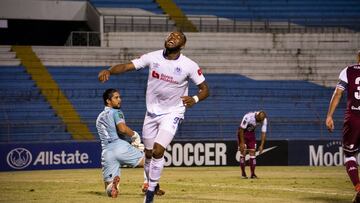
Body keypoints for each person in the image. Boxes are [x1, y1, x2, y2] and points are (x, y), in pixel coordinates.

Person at [98, 31, 210, 203]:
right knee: (149, 154)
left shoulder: (189, 65)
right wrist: (110, 70)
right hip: (151, 113)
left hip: (173, 111)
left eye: (177, 37)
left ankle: (149, 194)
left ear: (183, 45)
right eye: (170, 35)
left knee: (158, 150)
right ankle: (153, 185)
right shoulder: (153, 57)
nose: (172, 38)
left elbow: (205, 90)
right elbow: (127, 66)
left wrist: (194, 99)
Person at [96, 88, 145, 198]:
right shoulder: (116, 112)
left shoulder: (99, 117)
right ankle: (148, 185)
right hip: (120, 146)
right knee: (150, 162)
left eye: (119, 97)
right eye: (116, 97)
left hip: (107, 152)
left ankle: (112, 187)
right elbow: (122, 129)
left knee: (108, 187)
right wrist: (134, 135)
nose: (120, 100)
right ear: (108, 101)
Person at [326, 51, 360, 203]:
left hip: (353, 118)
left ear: (358, 58)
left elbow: (338, 93)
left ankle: (358, 188)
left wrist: (329, 116)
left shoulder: (348, 70)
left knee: (349, 155)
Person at [237, 110, 267, 179]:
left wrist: (262, 145)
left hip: (251, 134)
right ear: (257, 116)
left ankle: (252, 174)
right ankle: (243, 174)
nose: (259, 122)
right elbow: (241, 129)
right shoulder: (248, 117)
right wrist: (242, 143)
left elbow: (263, 133)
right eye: (258, 121)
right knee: (243, 152)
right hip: (242, 134)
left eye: (260, 121)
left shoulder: (263, 119)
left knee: (253, 152)